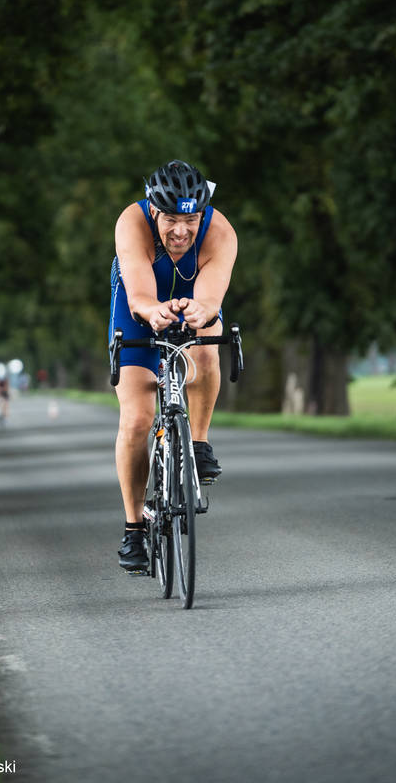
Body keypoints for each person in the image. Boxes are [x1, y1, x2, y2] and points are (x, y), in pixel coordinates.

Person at [109, 160, 238, 573]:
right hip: (138, 301)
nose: (181, 231)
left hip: (192, 297)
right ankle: (133, 530)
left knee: (205, 345)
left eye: (191, 220)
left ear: (203, 214)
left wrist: (200, 312)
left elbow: (211, 296)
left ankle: (197, 444)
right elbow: (140, 295)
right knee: (137, 419)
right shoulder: (132, 222)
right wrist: (152, 311)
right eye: (170, 220)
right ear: (153, 211)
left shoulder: (221, 232)